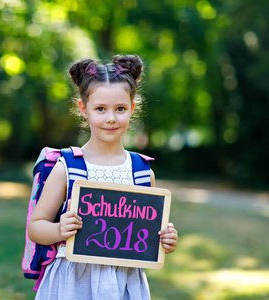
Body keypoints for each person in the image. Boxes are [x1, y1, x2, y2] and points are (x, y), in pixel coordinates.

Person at [28, 54, 178, 299]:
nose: (110, 118)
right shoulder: (67, 166)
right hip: (72, 281)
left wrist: (165, 239)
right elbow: (36, 227)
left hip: (125, 283)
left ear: (132, 108)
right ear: (83, 109)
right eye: (100, 109)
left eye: (120, 109)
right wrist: (59, 230)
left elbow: (146, 235)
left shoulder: (141, 172)